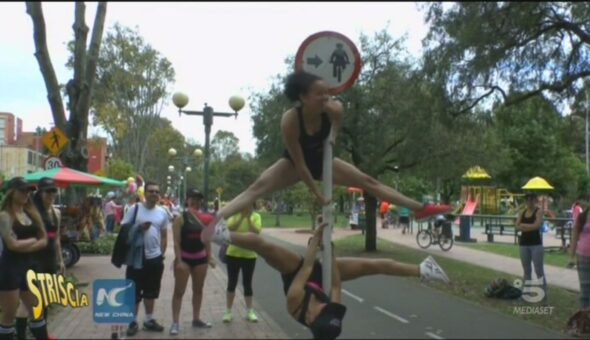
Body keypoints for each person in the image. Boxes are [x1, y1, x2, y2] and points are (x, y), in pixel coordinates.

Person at [203, 71, 451, 237]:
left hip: (323, 160)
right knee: (257, 187)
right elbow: (300, 165)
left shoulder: (333, 108)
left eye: (327, 92)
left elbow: (335, 127)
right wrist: (318, 194)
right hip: (293, 164)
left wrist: (331, 139)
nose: (326, 97)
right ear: (303, 97)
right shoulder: (290, 120)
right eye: (319, 93)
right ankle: (214, 219)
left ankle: (420, 207)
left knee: (368, 181)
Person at [206, 216, 449, 339]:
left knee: (262, 245)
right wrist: (330, 249)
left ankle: (223, 235)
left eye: (323, 309)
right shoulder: (332, 315)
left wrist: (317, 235)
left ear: (311, 317)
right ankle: (423, 269)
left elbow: (308, 264)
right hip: (323, 277)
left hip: (296, 273)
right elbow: (335, 283)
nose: (327, 305)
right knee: (372, 265)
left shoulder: (294, 304)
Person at [0, 177, 49, 340]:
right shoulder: (5, 216)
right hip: (10, 268)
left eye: (29, 190)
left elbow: (44, 240)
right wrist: (32, 241)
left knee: (37, 309)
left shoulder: (31, 213)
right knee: (9, 314)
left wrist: (28, 244)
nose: (27, 194)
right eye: (23, 190)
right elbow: (11, 244)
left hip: (30, 266)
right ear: (11, 192)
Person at [122, 181, 169, 337]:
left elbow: (164, 235)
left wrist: (161, 254)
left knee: (151, 291)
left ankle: (149, 320)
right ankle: (132, 322)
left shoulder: (162, 212)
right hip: (136, 259)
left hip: (154, 259)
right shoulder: (134, 210)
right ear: (145, 193)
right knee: (134, 291)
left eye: (156, 191)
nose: (154, 194)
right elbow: (124, 231)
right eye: (151, 191)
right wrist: (138, 228)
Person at [169, 188, 215, 335]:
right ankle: (175, 322)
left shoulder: (204, 218)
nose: (195, 201)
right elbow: (176, 241)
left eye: (198, 199)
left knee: (198, 290)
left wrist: (210, 256)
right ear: (187, 200)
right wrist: (180, 261)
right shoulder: (180, 218)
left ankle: (196, 319)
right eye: (192, 198)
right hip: (185, 258)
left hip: (200, 259)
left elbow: (206, 239)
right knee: (179, 291)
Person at [222, 202, 262, 323]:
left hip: (249, 255)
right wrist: (241, 217)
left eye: (249, 205)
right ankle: (228, 312)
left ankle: (250, 311)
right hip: (233, 254)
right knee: (231, 283)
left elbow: (256, 231)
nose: (247, 207)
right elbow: (230, 229)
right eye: (245, 205)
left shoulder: (256, 216)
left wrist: (249, 218)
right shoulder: (234, 215)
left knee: (247, 283)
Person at [515, 192, 547, 302]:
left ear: (535, 201)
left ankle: (543, 294)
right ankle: (526, 294)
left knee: (539, 270)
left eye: (531, 200)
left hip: (536, 244)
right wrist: (529, 226)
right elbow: (517, 226)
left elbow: (537, 226)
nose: (529, 202)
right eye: (527, 200)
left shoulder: (539, 211)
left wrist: (524, 226)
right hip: (524, 244)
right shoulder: (522, 212)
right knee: (526, 270)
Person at [569, 206, 590, 309]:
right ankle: (584, 318)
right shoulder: (582, 216)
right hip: (583, 258)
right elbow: (574, 237)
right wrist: (571, 256)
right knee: (585, 290)